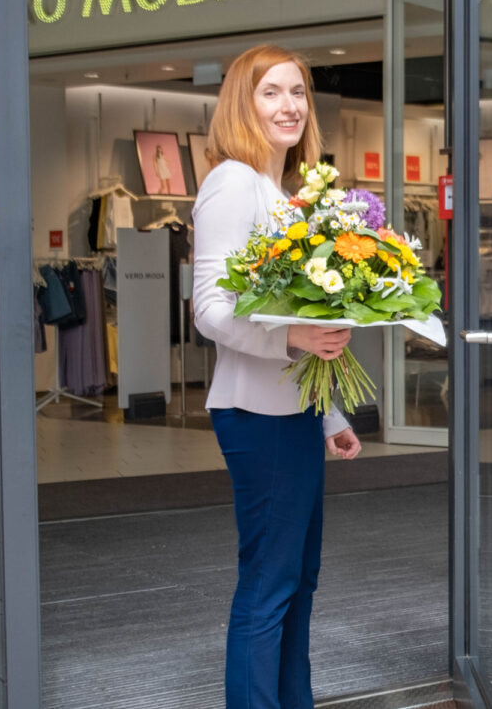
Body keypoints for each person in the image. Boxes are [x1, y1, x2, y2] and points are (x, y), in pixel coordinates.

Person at [191, 44, 363, 709]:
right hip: (256, 418)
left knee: (297, 582)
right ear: (243, 101)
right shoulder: (233, 183)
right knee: (269, 587)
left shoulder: (279, 193)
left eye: (298, 92)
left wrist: (333, 416)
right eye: (272, 92)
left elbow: (301, 323)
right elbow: (211, 310)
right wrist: (292, 335)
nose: (289, 105)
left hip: (292, 416)